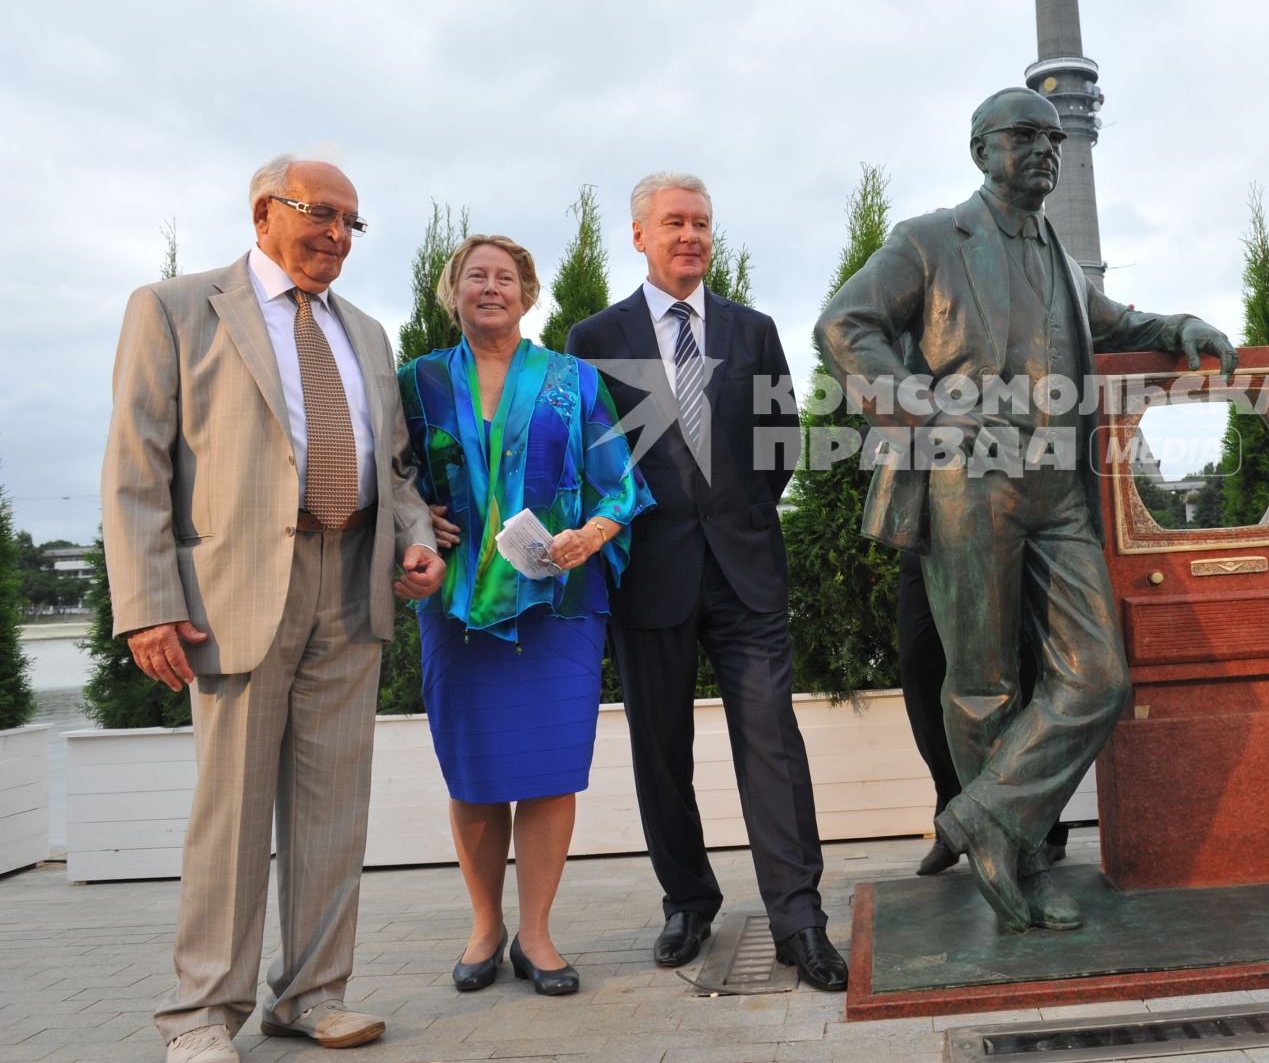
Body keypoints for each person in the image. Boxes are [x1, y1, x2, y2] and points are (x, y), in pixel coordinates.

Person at [815, 87, 1238, 933]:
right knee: (982, 683)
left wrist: (1179, 320)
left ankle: (985, 818)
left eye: (1053, 137)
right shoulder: (930, 240)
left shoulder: (1063, 258)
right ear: (981, 150)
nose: (1045, 148)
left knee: (1098, 676)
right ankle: (1021, 859)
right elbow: (844, 324)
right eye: (1024, 136)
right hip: (966, 477)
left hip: (1057, 488)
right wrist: (921, 407)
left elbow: (1115, 322)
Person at [102, 156, 443, 1063]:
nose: (336, 234)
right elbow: (136, 464)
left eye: (350, 223)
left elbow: (397, 464)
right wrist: (145, 605)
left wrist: (414, 534)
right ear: (264, 212)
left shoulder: (367, 333)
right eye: (320, 213)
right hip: (233, 591)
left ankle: (313, 994)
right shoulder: (174, 308)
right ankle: (202, 1013)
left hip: (351, 580)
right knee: (233, 810)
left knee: (334, 806)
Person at [565, 172, 847, 992]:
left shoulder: (752, 330)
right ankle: (688, 900)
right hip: (646, 574)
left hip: (746, 572)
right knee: (661, 750)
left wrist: (743, 513)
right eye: (674, 222)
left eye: (702, 223)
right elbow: (588, 455)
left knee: (772, 744)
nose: (690, 235)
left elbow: (780, 437)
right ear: (640, 235)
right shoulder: (593, 338)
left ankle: (799, 917)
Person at [398, 235, 651, 997]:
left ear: (528, 293)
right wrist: (418, 519)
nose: (491, 287)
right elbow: (392, 475)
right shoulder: (418, 383)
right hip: (458, 605)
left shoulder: (573, 381)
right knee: (475, 772)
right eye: (476, 275)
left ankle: (536, 932)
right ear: (454, 292)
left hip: (561, 603)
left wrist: (593, 534)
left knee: (547, 771)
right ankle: (485, 924)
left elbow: (622, 482)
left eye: (506, 277)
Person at [896, 551, 1069, 876]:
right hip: (929, 535)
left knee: (1021, 662)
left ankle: (1043, 823)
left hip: (1003, 523)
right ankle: (953, 807)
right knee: (918, 662)